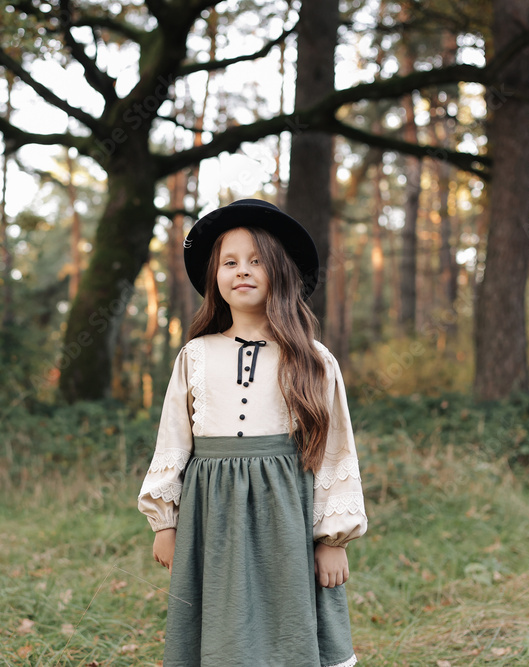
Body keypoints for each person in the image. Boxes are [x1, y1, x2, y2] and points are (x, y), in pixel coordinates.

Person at [137, 198, 368, 666]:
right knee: (220, 622)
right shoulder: (196, 355)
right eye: (230, 262)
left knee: (288, 618)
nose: (242, 271)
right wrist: (165, 521)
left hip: (286, 512)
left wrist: (331, 541)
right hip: (212, 513)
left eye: (257, 261)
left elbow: (334, 452)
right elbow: (174, 441)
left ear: (281, 272)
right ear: (214, 277)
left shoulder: (313, 359)